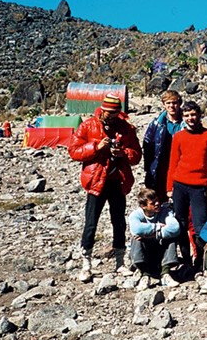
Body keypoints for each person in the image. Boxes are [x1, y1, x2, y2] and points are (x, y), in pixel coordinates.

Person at [68, 94, 142, 282]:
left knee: (118, 222)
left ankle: (120, 264)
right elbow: (73, 151)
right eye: (109, 112)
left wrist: (123, 152)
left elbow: (136, 155)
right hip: (96, 181)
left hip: (118, 180)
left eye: (116, 112)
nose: (112, 116)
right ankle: (86, 264)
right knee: (91, 223)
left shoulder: (126, 128)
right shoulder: (87, 126)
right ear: (103, 109)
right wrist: (96, 146)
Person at [167, 101, 207, 273]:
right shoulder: (178, 137)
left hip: (199, 186)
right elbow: (173, 163)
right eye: (187, 115)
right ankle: (186, 259)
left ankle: (202, 260)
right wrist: (169, 187)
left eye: (193, 114)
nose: (191, 118)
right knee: (180, 223)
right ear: (183, 117)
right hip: (180, 184)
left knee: (200, 225)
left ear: (199, 115)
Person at [128, 188, 180, 291]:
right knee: (137, 239)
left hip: (159, 247)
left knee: (171, 237)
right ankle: (145, 274)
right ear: (143, 206)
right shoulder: (136, 215)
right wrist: (156, 227)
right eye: (152, 203)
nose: (157, 204)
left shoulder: (165, 211)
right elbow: (136, 229)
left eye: (157, 200)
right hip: (146, 250)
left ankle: (165, 273)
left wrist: (153, 235)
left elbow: (175, 228)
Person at [143, 90, 185, 203]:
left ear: (179, 103)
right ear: (163, 104)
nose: (172, 106)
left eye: (175, 103)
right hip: (161, 164)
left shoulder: (187, 122)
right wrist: (148, 169)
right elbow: (147, 146)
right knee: (158, 197)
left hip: (180, 164)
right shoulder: (156, 124)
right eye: (168, 103)